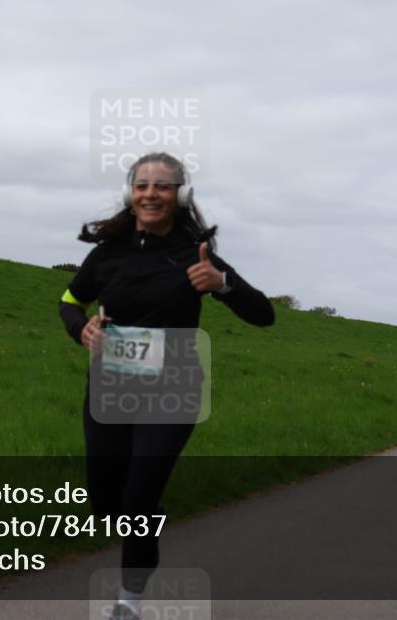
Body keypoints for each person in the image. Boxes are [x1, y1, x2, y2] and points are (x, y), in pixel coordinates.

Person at [58, 153, 275, 620]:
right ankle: (147, 516)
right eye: (142, 185)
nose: (150, 194)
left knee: (137, 500)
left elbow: (264, 315)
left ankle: (128, 602)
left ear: (180, 197)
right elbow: (69, 300)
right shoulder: (108, 253)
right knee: (105, 501)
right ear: (129, 193)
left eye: (162, 186)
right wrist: (82, 329)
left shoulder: (193, 254)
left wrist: (222, 286)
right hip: (111, 386)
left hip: (173, 387)